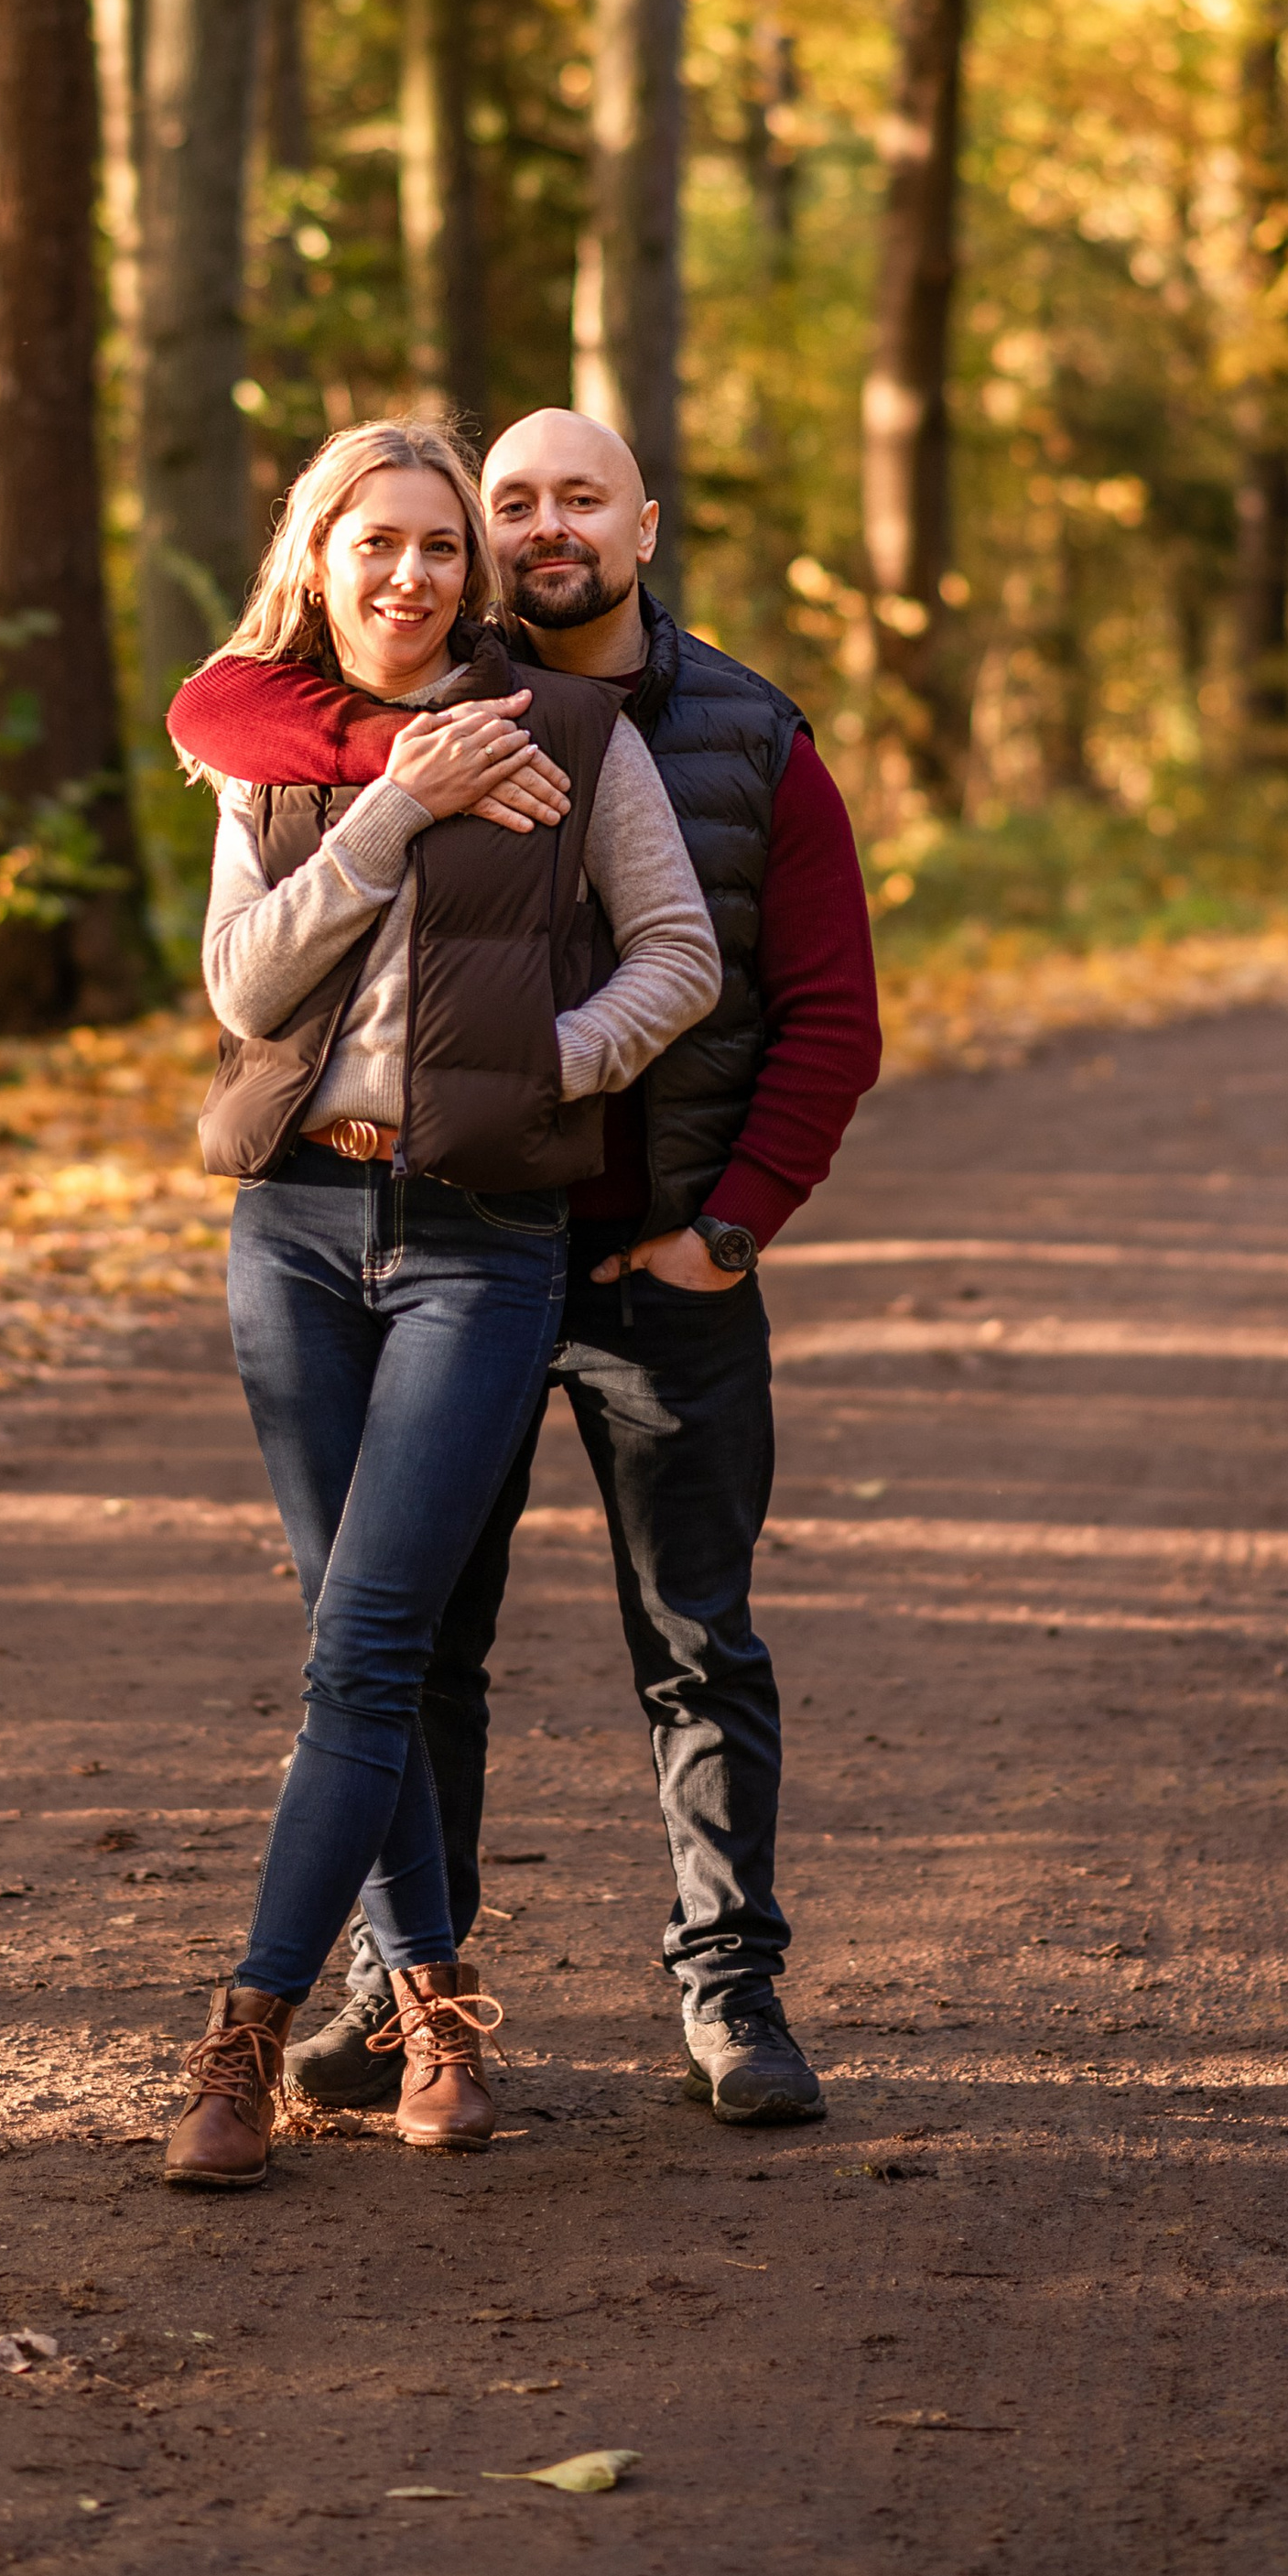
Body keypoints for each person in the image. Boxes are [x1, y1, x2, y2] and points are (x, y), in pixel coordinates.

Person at [168, 408, 882, 2129]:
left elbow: (787, 1000)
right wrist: (382, 796)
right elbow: (233, 712)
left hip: (641, 1254)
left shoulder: (730, 733)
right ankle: (407, 1997)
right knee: (410, 1640)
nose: (538, 529)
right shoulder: (373, 721)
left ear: (644, 522)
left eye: (578, 499)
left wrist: (728, 1228)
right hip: (412, 1232)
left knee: (694, 1638)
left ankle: (731, 1997)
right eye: (513, 504)